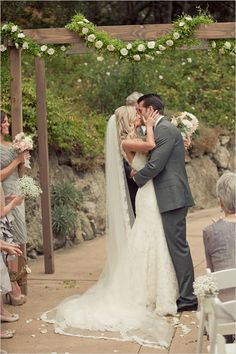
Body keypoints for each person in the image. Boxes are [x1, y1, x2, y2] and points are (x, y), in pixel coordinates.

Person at [41, 106, 178, 349]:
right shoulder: (128, 141)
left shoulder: (135, 136)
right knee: (147, 236)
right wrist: (150, 124)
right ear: (127, 120)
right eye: (135, 114)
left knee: (151, 237)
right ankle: (146, 292)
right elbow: (153, 147)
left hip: (150, 192)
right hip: (147, 194)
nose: (140, 115)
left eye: (141, 112)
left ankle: (156, 290)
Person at [133, 94, 197, 312]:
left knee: (178, 247)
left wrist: (136, 178)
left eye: (140, 110)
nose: (138, 114)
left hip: (173, 198)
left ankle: (188, 298)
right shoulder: (159, 129)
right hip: (167, 197)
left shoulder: (166, 129)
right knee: (173, 247)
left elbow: (156, 164)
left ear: (152, 110)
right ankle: (182, 292)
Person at [0, 110, 29, 305]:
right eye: (5, 121)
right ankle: (12, 288)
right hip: (3, 193)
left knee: (18, 237)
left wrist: (23, 157)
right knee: (7, 237)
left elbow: (20, 171)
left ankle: (15, 282)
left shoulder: (11, 144)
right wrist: (16, 160)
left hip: (16, 192)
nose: (8, 124)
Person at [203, 172, 236, 301]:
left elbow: (210, 270)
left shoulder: (210, 232)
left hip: (225, 308)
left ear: (221, 203)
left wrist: (217, 228)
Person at [123, 91, 143, 216]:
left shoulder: (146, 125)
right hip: (131, 179)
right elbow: (118, 151)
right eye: (137, 109)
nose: (139, 113)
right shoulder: (122, 127)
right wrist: (129, 170)